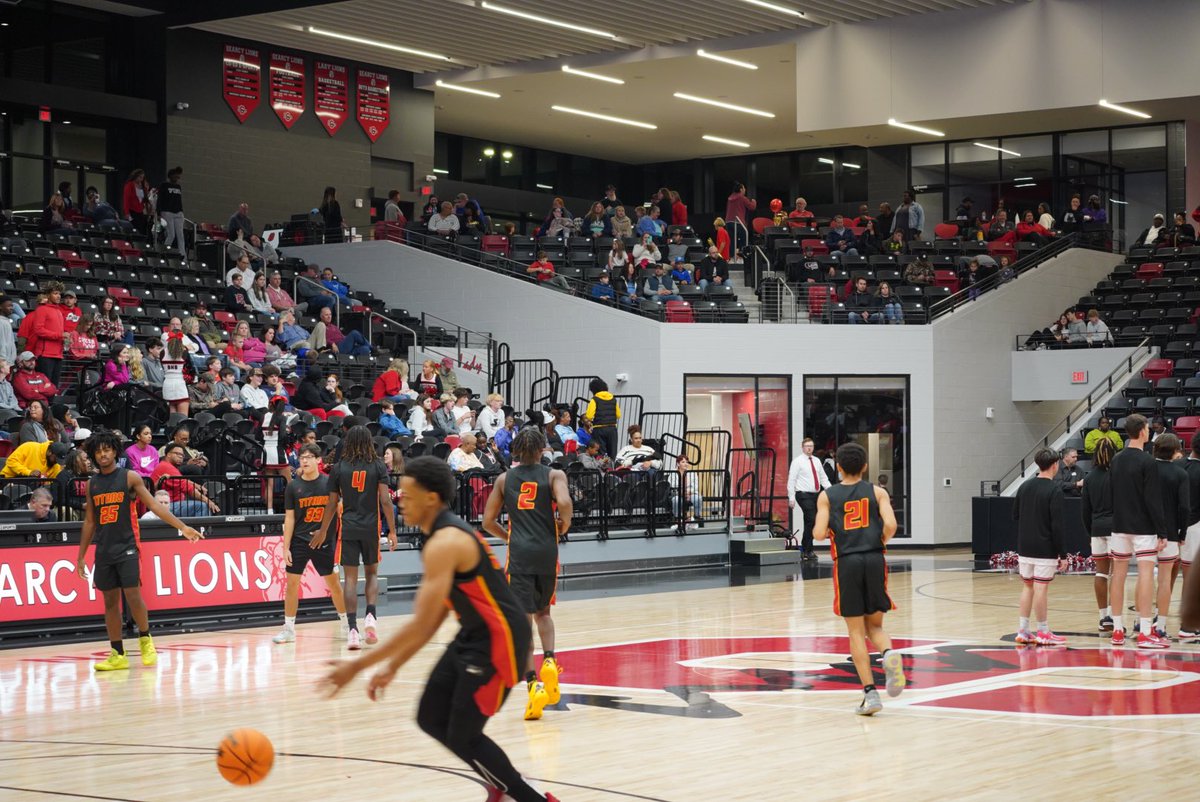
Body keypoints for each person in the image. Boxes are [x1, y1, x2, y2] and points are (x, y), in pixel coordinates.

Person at [319, 457, 560, 802]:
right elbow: (431, 621)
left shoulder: (446, 542)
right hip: (475, 634)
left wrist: (357, 667)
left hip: (500, 642)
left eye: (409, 494)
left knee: (465, 735)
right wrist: (391, 666)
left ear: (431, 498)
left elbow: (421, 624)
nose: (401, 499)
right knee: (430, 716)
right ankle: (503, 783)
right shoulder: (440, 534)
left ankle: (526, 796)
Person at [76, 431, 204, 672]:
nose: (103, 454)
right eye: (98, 451)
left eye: (107, 449)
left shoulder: (129, 477)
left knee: (133, 595)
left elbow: (155, 505)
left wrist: (183, 527)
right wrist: (81, 555)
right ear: (94, 454)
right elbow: (90, 522)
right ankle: (117, 653)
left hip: (127, 545)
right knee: (110, 603)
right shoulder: (92, 484)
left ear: (115, 451)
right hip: (104, 550)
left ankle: (145, 639)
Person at [482, 429, 573, 722]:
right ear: (541, 450)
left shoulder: (504, 479)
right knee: (544, 613)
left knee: (521, 624)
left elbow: (487, 521)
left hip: (519, 553)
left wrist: (508, 535)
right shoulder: (554, 474)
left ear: (518, 451)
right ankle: (550, 659)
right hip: (547, 551)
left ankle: (534, 684)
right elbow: (565, 503)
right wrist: (565, 524)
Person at [811, 442, 905, 716]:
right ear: (865, 466)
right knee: (875, 627)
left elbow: (817, 534)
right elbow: (891, 525)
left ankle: (870, 694)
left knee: (855, 632)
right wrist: (879, 541)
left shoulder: (827, 496)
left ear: (838, 466)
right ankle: (889, 654)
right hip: (875, 559)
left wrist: (829, 525)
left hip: (848, 562)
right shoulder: (878, 492)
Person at [316, 426, 397, 651]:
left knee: (350, 581)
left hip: (349, 528)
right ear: (369, 442)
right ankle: (370, 615)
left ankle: (352, 630)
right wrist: (392, 530)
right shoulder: (378, 466)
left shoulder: (339, 468)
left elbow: (331, 504)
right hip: (371, 528)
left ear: (348, 443)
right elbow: (385, 501)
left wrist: (323, 530)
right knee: (372, 574)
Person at [270, 444, 349, 644]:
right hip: (299, 541)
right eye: (301, 457)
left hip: (324, 542)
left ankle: (347, 624)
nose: (304, 461)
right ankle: (288, 629)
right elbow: (289, 519)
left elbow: (340, 508)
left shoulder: (329, 484)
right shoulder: (293, 486)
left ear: (318, 460)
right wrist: (285, 547)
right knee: (291, 586)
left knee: (334, 586)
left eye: (308, 457)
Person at [1107, 414, 1170, 648]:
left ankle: (1116, 630)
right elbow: (1153, 500)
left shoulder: (1117, 459)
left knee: (1118, 576)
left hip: (1119, 525)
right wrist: (1162, 532)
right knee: (1145, 575)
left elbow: (1112, 492)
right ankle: (1145, 632)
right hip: (1143, 527)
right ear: (1143, 431)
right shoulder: (1148, 461)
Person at [1011, 448, 1069, 646]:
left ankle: (1023, 630)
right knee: (1041, 588)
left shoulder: (1025, 486)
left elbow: (1016, 515)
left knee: (1028, 586)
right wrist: (1063, 553)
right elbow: (1057, 525)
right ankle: (1043, 631)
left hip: (1025, 546)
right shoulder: (1054, 490)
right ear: (1055, 465)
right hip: (1044, 547)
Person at [1151, 434, 1188, 639]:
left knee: (1145, 578)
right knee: (1165, 580)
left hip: (1145, 532)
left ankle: (1142, 623)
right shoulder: (1180, 473)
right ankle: (1161, 625)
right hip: (1171, 533)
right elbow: (1184, 507)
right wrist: (1182, 532)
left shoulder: (1146, 470)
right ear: (1175, 450)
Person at [1082, 438, 1116, 632]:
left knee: (1101, 573)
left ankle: (1103, 618)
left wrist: (1090, 532)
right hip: (1115, 529)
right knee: (1116, 575)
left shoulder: (1089, 477)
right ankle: (1113, 615)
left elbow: (1084, 511)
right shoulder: (1116, 475)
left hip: (1096, 529)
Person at [787, 437, 832, 561]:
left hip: (815, 495)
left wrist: (831, 491)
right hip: (803, 494)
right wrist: (791, 497)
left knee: (811, 521)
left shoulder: (817, 461)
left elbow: (823, 478)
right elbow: (792, 480)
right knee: (811, 519)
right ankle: (807, 549)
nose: (809, 448)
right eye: (807, 446)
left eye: (811, 446)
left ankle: (807, 549)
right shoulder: (797, 461)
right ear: (802, 448)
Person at [1178, 438, 1200, 642]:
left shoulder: (1177, 464)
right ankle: (1187, 626)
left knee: (1166, 576)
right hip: (1193, 527)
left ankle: (1156, 621)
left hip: (1170, 528)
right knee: (1191, 577)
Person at [584, 378, 621, 458]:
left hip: (599, 429)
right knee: (612, 452)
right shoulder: (613, 399)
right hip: (612, 429)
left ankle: (602, 469)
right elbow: (618, 415)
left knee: (600, 453)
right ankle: (612, 468)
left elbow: (589, 416)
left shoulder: (594, 400)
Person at [157, 166, 186, 258]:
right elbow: (160, 199)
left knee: (180, 236)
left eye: (178, 177)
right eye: (175, 177)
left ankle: (183, 256)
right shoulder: (164, 185)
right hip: (167, 212)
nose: (177, 178)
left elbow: (179, 200)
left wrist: (181, 212)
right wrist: (159, 213)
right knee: (171, 235)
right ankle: (164, 253)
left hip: (178, 212)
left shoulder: (178, 187)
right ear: (170, 176)